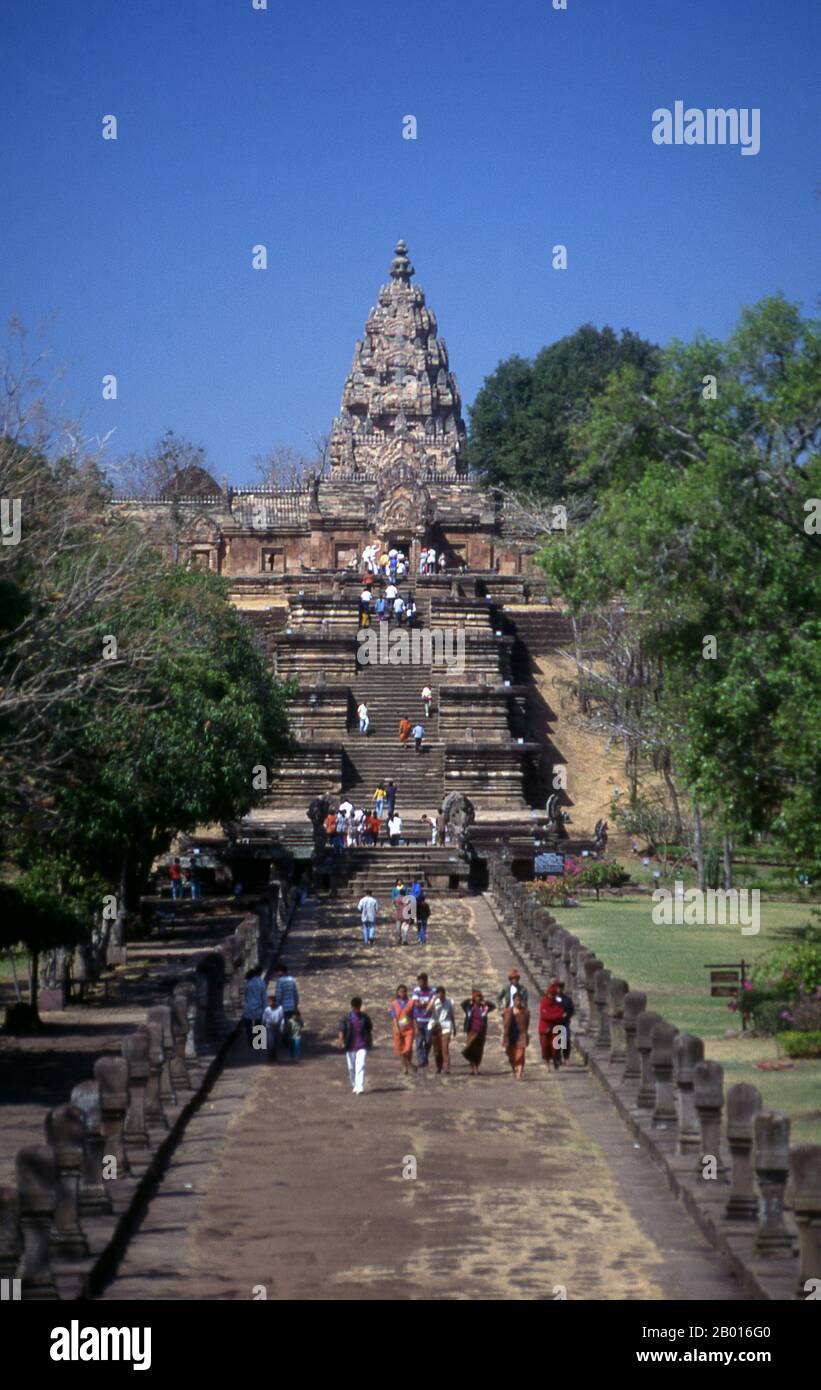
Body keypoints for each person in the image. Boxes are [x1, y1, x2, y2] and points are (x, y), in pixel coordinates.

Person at [337, 996, 373, 1095]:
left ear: (360, 1006)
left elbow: (369, 1029)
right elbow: (341, 1029)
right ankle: (355, 1085)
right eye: (355, 1008)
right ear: (352, 1007)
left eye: (358, 1008)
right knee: (351, 1068)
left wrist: (369, 1040)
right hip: (350, 1046)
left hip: (362, 1045)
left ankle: (360, 1087)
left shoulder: (365, 1018)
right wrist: (341, 1040)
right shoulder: (346, 1018)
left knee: (360, 1065)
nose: (356, 1010)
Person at [461, 990, 495, 1075]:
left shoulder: (484, 1008)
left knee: (478, 1051)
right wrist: (470, 1000)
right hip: (472, 1031)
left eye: (479, 997)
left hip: (481, 1032)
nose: (478, 999)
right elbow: (463, 1004)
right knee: (470, 1049)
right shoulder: (470, 1007)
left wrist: (485, 1002)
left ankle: (476, 1067)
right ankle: (472, 1067)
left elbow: (493, 1006)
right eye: (476, 997)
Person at [538, 983, 566, 1071]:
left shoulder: (557, 1003)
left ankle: (555, 1059)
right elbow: (544, 1015)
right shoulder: (544, 1002)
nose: (551, 996)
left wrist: (555, 1015)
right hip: (544, 1028)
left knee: (555, 1047)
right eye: (550, 994)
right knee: (545, 1046)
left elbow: (561, 1013)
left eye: (553, 995)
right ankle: (547, 1064)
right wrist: (556, 1016)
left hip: (555, 1028)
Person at [502, 994, 530, 1080]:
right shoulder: (507, 1011)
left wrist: (525, 1033)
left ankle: (520, 1072)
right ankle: (514, 1069)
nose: (518, 1002)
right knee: (511, 1055)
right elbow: (504, 1023)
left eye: (519, 1000)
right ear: (513, 1001)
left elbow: (527, 1023)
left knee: (521, 1054)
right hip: (510, 1036)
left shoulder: (525, 1012)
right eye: (516, 1000)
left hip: (521, 1035)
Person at [412, 973, 436, 1070]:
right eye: (419, 982)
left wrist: (426, 1004)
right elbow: (417, 1004)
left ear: (426, 981)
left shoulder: (432, 990)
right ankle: (421, 1061)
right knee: (418, 1042)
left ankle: (425, 1057)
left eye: (421, 981)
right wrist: (426, 1003)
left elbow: (432, 1004)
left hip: (429, 1020)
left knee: (429, 1040)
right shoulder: (416, 990)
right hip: (418, 1019)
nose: (420, 984)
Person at [429, 987, 456, 1074]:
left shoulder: (450, 1002)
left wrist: (454, 1027)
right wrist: (434, 1000)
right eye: (439, 993)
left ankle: (446, 1067)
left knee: (445, 1048)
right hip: (436, 1026)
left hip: (446, 1027)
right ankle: (439, 1067)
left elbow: (452, 1015)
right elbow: (428, 1010)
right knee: (437, 1049)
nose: (440, 995)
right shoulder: (435, 1002)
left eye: (442, 993)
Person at [390, 984, 415, 1076]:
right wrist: (396, 1027)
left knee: (408, 1048)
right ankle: (405, 1066)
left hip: (409, 1028)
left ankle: (408, 1062)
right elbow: (394, 1017)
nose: (402, 993)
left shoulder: (411, 1002)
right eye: (400, 992)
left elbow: (413, 1017)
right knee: (400, 1048)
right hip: (398, 1028)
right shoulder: (394, 1003)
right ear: (397, 992)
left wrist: (416, 1028)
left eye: (404, 991)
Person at [242, 967, 268, 1051]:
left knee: (248, 1027)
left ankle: (250, 1042)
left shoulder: (248, 983)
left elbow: (245, 996)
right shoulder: (261, 983)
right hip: (259, 1007)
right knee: (259, 1025)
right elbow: (264, 997)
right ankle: (259, 1043)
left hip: (248, 1008)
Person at [553, 979, 575, 1063]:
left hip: (565, 1022)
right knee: (557, 1041)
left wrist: (567, 1014)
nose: (558, 989)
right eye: (557, 988)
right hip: (555, 1022)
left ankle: (566, 1057)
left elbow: (571, 1010)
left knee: (566, 1040)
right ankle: (558, 1058)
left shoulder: (567, 999)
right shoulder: (552, 999)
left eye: (560, 988)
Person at [274, 964, 299, 1034]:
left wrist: (276, 1006)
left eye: (277, 972)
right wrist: (296, 1004)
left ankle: (286, 1041)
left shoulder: (280, 981)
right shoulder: (292, 979)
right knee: (291, 1024)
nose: (276, 974)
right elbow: (295, 993)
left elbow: (278, 995)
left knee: (284, 1025)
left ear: (281, 972)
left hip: (283, 1007)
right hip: (292, 1006)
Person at [262, 987, 284, 1063]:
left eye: (272, 1001)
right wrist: (263, 1026)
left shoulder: (280, 1008)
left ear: (275, 1001)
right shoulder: (267, 1010)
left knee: (276, 1042)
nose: (271, 1003)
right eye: (269, 1002)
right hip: (269, 1026)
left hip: (277, 1026)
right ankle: (270, 1056)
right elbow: (264, 1019)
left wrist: (281, 1026)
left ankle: (275, 1056)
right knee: (270, 1042)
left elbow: (282, 1018)